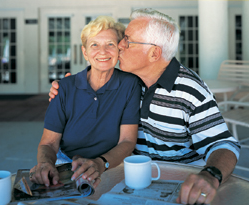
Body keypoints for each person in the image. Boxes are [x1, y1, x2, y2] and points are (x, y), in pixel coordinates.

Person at [49, 8, 240, 205]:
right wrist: (63, 88)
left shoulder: (190, 91)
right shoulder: (126, 82)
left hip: (182, 186)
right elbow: (89, 81)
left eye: (128, 41)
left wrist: (210, 175)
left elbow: (223, 145)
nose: (120, 45)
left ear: (154, 53)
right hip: (132, 182)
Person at [29, 16, 141, 190]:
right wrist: (45, 163)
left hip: (109, 162)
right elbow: (49, 143)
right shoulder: (64, 87)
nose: (102, 52)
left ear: (119, 50)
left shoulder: (130, 84)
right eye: (94, 45)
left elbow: (127, 140)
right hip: (67, 163)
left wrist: (100, 163)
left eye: (110, 44)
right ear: (85, 52)